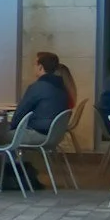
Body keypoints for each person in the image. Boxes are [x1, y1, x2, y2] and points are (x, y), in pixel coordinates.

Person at [6, 51, 71, 189]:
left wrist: (11, 128)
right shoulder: (62, 87)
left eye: (34, 64)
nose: (33, 67)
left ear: (41, 67)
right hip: (53, 135)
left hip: (38, 134)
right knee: (4, 136)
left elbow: (20, 113)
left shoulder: (37, 87)